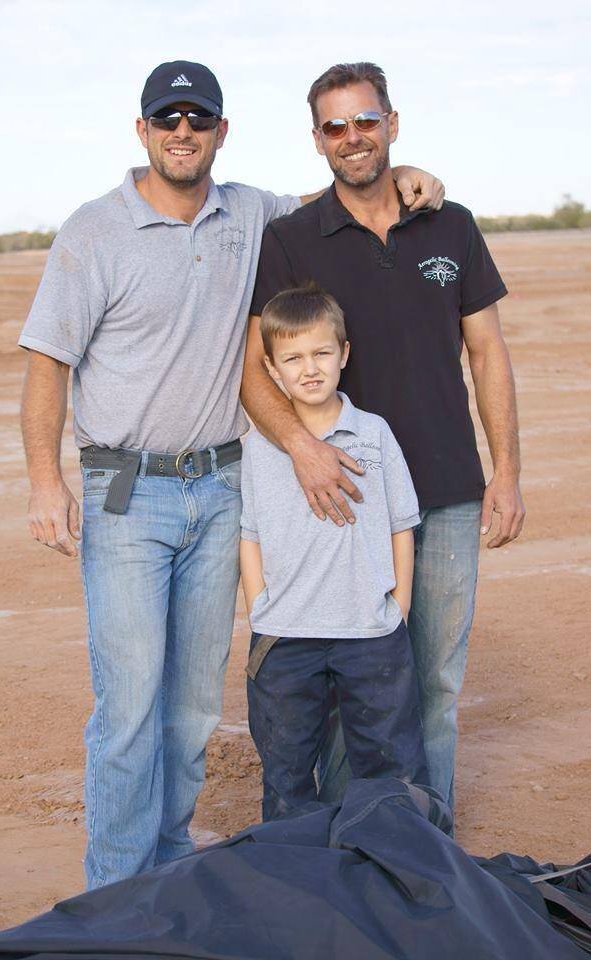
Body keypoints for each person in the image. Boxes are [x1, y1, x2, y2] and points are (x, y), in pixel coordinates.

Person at [19, 57, 445, 888]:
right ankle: (115, 887)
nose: (184, 132)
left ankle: (171, 856)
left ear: (221, 131)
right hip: (124, 492)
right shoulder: (92, 230)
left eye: (199, 119)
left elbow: (340, 196)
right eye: (168, 120)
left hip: (221, 488)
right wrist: (45, 479)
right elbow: (47, 362)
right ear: (142, 131)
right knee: (131, 705)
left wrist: (413, 174)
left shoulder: (250, 212)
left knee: (191, 708)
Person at [241, 61, 526, 810]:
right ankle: (346, 850)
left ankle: (419, 845)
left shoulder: (451, 224)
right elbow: (254, 367)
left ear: (392, 123)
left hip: (450, 490)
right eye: (335, 127)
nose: (352, 137)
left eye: (365, 120)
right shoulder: (293, 238)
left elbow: (488, 351)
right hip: (348, 500)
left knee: (432, 678)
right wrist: (304, 452)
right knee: (349, 687)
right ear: (317, 141)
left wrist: (506, 472)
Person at [240, 286, 428, 819]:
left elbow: (401, 524)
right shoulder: (259, 449)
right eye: (293, 359)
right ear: (272, 372)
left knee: (392, 767)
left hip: (369, 632)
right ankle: (297, 881)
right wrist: (260, 608)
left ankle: (394, 873)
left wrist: (399, 605)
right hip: (286, 636)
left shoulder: (374, 434)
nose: (310, 369)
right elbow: (249, 533)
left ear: (344, 354)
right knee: (287, 775)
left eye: (322, 353)